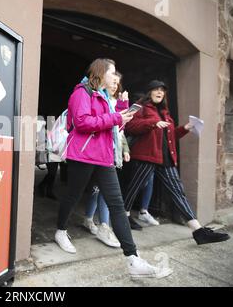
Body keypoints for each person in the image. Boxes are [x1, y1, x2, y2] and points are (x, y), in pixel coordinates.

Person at [55, 59, 172, 278]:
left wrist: (120, 110)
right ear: (100, 72)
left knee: (117, 205)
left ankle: (133, 259)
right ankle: (60, 231)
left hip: (104, 157)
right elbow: (82, 122)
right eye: (111, 72)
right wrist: (115, 115)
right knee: (73, 195)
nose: (114, 76)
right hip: (84, 155)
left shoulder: (107, 98)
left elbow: (114, 127)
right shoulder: (82, 93)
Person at [123, 80, 230, 245]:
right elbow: (130, 126)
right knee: (135, 186)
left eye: (162, 90)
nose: (160, 92)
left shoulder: (165, 112)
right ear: (149, 92)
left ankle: (198, 231)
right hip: (147, 156)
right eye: (156, 90)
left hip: (166, 158)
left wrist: (185, 128)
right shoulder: (141, 107)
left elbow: (170, 136)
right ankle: (125, 216)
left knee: (178, 192)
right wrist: (152, 123)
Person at [83, 71, 130, 248]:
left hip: (111, 154)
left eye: (117, 83)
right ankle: (88, 218)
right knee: (95, 191)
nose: (114, 85)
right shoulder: (99, 99)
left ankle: (103, 225)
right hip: (97, 153)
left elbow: (121, 131)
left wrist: (125, 149)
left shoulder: (117, 104)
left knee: (105, 192)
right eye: (113, 81)